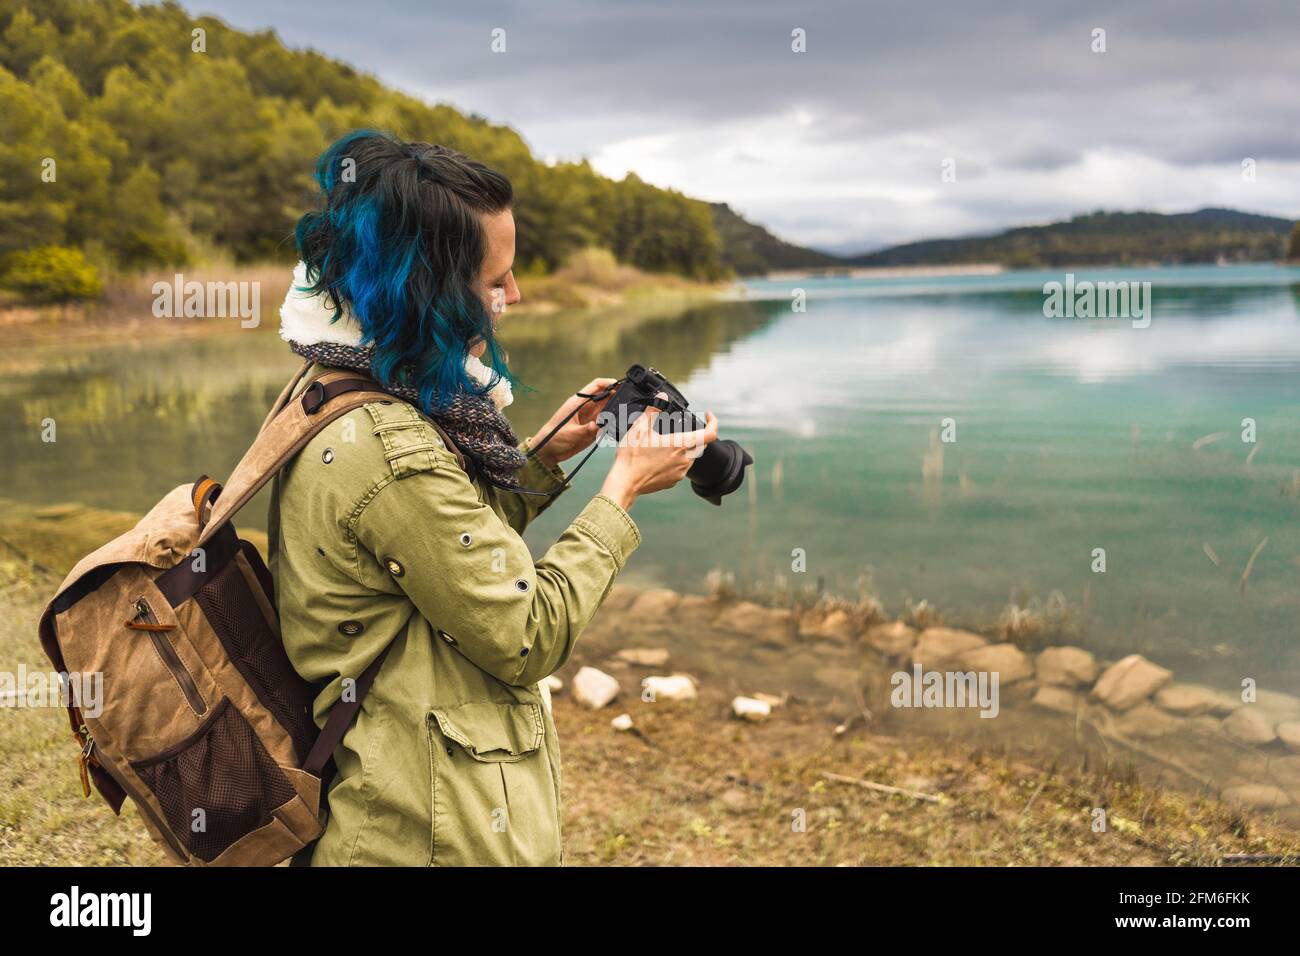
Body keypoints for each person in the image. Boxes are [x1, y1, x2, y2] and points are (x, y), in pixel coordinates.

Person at [269, 130, 718, 865]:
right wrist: (622, 489)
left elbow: (436, 550)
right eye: (495, 279)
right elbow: (525, 636)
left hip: (409, 804)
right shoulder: (391, 445)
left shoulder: (339, 382)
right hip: (425, 833)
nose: (515, 296)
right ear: (427, 288)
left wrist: (541, 459)